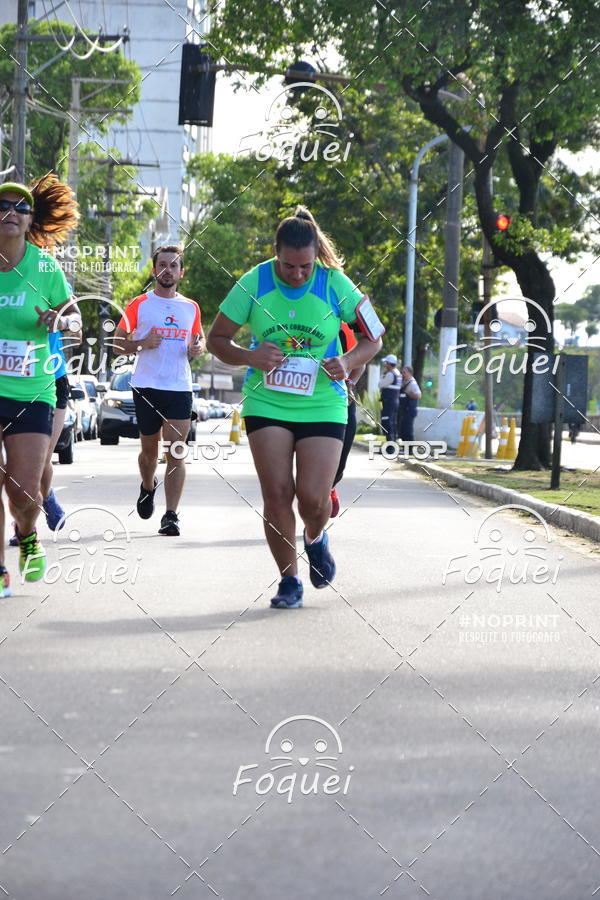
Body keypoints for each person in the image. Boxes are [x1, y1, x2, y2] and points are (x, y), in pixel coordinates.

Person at [207, 206, 383, 609]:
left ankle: (315, 537)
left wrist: (350, 361)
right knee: (277, 494)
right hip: (267, 401)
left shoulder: (334, 283)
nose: (298, 274)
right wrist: (250, 357)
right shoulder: (254, 281)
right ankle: (289, 581)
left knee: (313, 498)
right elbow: (218, 338)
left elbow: (374, 337)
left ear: (315, 256)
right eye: (289, 265)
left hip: (323, 402)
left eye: (305, 266)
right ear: (276, 253)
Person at [0, 176, 79, 593]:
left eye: (20, 207)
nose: (10, 213)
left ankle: (28, 535)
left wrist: (60, 320)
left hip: (32, 389)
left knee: (23, 491)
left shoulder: (45, 267)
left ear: (30, 220)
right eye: (2, 206)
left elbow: (78, 323)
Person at [114, 245, 205, 536]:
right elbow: (116, 344)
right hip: (146, 386)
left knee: (177, 452)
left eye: (174, 265)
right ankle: (147, 485)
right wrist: (142, 344)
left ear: (182, 272)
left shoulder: (190, 307)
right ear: (154, 270)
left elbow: (197, 341)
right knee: (149, 453)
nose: (168, 270)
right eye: (162, 265)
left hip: (179, 387)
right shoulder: (139, 304)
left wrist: (198, 348)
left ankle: (171, 515)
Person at [330, 322, 365, 518]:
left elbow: (360, 363)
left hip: (338, 398)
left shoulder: (342, 327)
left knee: (346, 440)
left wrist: (350, 384)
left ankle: (331, 483)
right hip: (297, 400)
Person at [378, 353, 401, 442]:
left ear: (388, 363)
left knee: (387, 422)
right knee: (392, 422)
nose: (385, 365)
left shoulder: (390, 374)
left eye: (386, 363)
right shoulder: (397, 373)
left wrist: (383, 375)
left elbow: (380, 384)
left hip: (389, 402)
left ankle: (390, 447)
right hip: (394, 401)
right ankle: (392, 445)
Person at [397, 364, 422, 443]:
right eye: (402, 372)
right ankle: (405, 447)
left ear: (410, 373)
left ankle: (410, 448)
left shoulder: (412, 383)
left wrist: (409, 393)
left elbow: (418, 395)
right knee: (403, 429)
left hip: (410, 410)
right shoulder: (405, 382)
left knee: (408, 430)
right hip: (404, 410)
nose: (402, 374)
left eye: (404, 373)